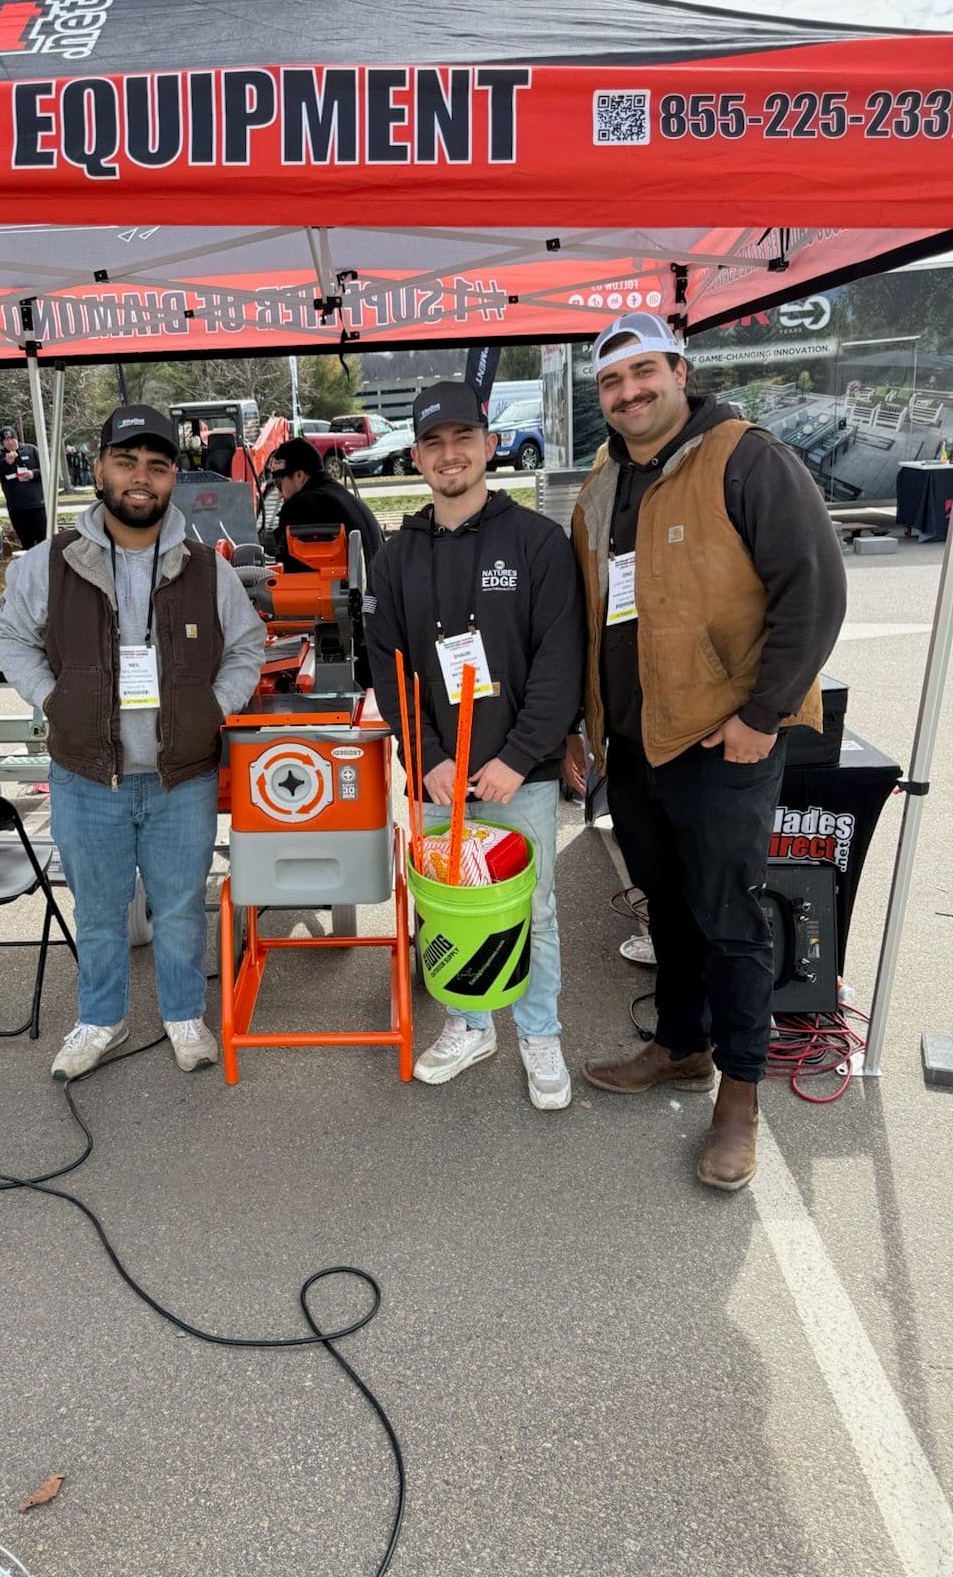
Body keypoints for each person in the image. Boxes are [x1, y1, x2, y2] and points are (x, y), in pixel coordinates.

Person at [565, 311, 847, 1191]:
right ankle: (682, 1045)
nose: (628, 393)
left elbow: (816, 591)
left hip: (722, 737)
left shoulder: (745, 456)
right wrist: (585, 726)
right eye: (611, 382)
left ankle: (741, 1093)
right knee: (668, 905)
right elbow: (593, 616)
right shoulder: (604, 481)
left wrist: (762, 714)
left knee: (731, 917)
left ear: (680, 369)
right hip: (633, 739)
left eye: (642, 372)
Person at [0, 403, 264, 1082]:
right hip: (87, 776)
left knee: (178, 908)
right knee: (101, 910)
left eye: (157, 466)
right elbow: (9, 635)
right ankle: (100, 1019)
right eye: (126, 462)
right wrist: (50, 697)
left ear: (172, 477)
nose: (140, 479)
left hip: (182, 778)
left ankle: (181, 1016)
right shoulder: (49, 563)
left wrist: (214, 706)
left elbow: (249, 644)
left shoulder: (206, 567)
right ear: (101, 466)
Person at [366, 381, 584, 1110]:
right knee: (452, 907)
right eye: (433, 442)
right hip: (439, 780)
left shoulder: (537, 542)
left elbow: (561, 660)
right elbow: (389, 668)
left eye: (463, 438)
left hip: (519, 775)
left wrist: (518, 755)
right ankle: (469, 1022)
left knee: (533, 911)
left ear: (490, 445)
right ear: (418, 457)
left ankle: (539, 1031)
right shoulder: (396, 557)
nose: (449, 454)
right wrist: (427, 756)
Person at [268, 437, 385, 573]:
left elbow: (289, 573)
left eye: (278, 484)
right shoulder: (349, 500)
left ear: (299, 475)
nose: (279, 495)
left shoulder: (301, 506)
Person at [0, 426, 46, 549]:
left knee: (43, 540)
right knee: (26, 542)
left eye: (12, 439)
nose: (10, 442)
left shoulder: (32, 450)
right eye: (6, 440)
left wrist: (33, 474)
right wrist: (5, 463)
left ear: (17, 439)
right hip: (16, 507)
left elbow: (46, 469)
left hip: (37, 504)